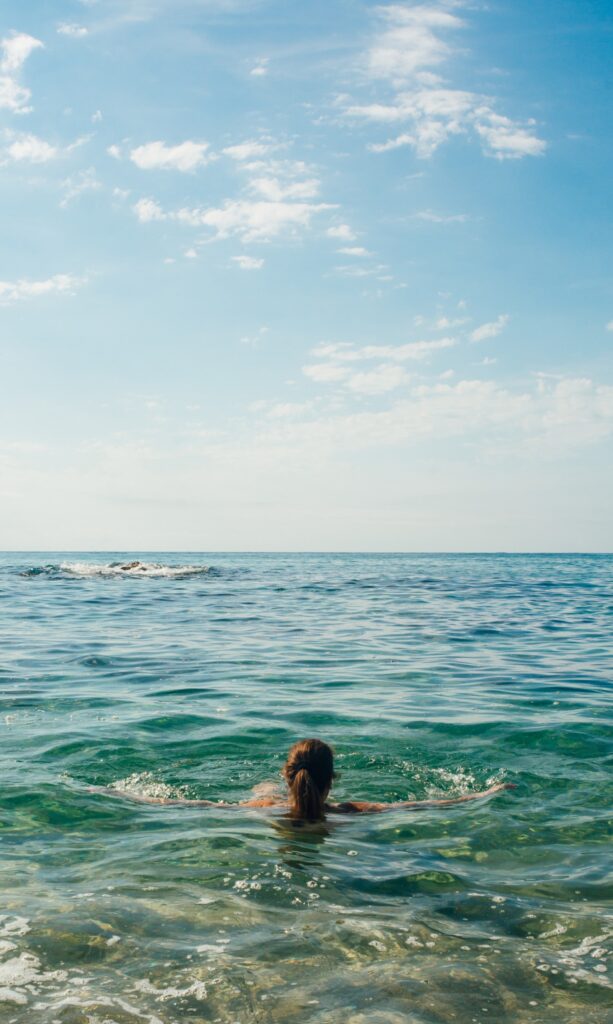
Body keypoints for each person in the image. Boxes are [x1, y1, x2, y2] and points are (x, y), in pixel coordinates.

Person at [103, 738, 515, 821]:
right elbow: (426, 804)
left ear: (289, 775)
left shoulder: (261, 809)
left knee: (260, 794)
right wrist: (488, 792)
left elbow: (187, 805)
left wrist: (112, 793)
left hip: (277, 808)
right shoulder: (351, 811)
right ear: (333, 779)